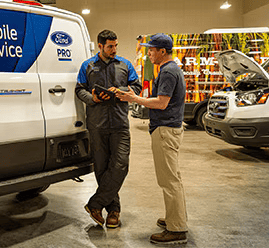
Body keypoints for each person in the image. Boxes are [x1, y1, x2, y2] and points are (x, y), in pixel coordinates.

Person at [116, 33, 188, 244]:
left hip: (165, 130)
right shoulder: (172, 69)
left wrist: (134, 99)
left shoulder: (168, 72)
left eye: (152, 50)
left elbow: (161, 103)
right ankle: (175, 218)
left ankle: (177, 229)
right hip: (169, 129)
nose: (149, 54)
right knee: (172, 177)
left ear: (162, 51)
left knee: (169, 180)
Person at [76, 29, 142, 228]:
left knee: (121, 165)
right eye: (110, 46)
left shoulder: (125, 64)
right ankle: (114, 210)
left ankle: (95, 204)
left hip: (120, 123)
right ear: (100, 46)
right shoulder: (87, 66)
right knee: (102, 168)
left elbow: (136, 87)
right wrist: (93, 99)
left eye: (116, 46)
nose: (114, 50)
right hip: (96, 124)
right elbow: (79, 89)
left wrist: (120, 91)